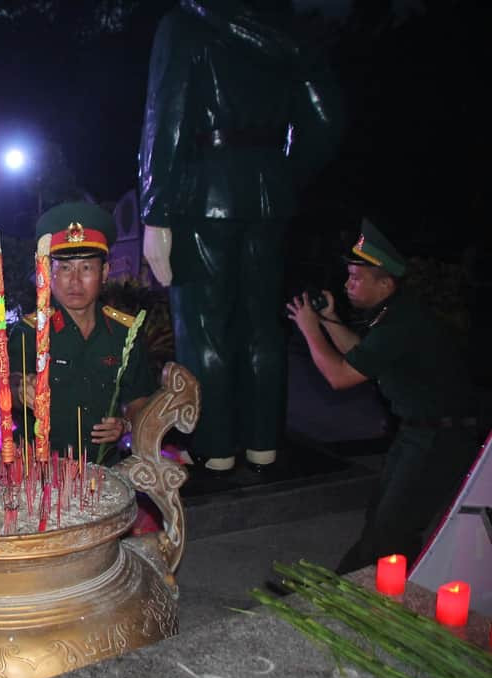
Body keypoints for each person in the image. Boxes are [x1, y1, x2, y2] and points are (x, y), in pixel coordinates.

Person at [138, 0, 341, 475]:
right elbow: (327, 118)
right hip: (269, 196)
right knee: (263, 325)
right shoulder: (285, 27)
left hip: (203, 197)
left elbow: (165, 117)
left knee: (204, 326)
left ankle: (215, 446)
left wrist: (156, 209)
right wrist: (281, 174)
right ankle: (263, 441)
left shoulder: (185, 25)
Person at [287, 219, 477, 573]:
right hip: (420, 432)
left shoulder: (402, 323)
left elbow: (340, 376)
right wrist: (328, 319)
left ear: (385, 283)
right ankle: (359, 585)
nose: (348, 285)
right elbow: (361, 356)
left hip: (440, 437)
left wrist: (310, 330)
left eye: (356, 278)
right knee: (381, 520)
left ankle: (370, 591)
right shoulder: (396, 311)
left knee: (391, 530)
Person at [8, 201, 156, 466]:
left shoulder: (125, 334)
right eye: (65, 268)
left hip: (106, 471)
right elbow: (9, 384)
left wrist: (125, 424)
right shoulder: (28, 332)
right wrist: (21, 390)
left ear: (104, 273)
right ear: (50, 273)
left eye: (86, 268)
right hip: (41, 473)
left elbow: (140, 400)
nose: (75, 281)